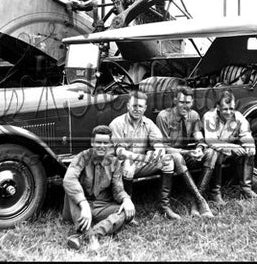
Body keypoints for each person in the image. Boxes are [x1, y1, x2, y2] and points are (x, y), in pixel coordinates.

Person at [109, 90, 213, 220]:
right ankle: (129, 209)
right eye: (134, 106)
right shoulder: (117, 124)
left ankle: (165, 206)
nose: (137, 109)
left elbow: (159, 143)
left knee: (167, 161)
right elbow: (120, 153)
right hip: (122, 164)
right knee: (128, 166)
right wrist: (143, 157)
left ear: (145, 108)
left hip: (142, 162)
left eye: (140, 106)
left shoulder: (148, 123)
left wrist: (158, 152)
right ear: (128, 106)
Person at [62, 125, 135, 251]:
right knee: (71, 192)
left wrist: (126, 200)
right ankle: (90, 238)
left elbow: (117, 189)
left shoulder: (115, 162)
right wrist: (83, 204)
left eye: (105, 143)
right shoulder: (82, 157)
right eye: (98, 142)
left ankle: (90, 235)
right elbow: (69, 179)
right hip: (80, 206)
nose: (102, 146)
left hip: (101, 206)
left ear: (110, 144)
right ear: (92, 142)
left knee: (126, 211)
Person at [156, 86, 217, 216]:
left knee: (212, 153)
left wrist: (200, 149)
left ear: (192, 102)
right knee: (177, 156)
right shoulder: (163, 116)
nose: (185, 106)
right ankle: (201, 201)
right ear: (174, 101)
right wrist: (186, 152)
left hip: (186, 155)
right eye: (181, 102)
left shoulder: (193, 115)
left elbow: (198, 137)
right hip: (171, 156)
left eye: (188, 102)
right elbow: (164, 147)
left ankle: (195, 202)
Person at [202, 89, 257, 202]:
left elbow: (245, 133)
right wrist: (233, 147)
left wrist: (250, 145)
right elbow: (211, 141)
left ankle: (246, 189)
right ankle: (215, 192)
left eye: (232, 108)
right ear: (218, 107)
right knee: (216, 154)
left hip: (230, 149)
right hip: (213, 151)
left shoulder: (237, 116)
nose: (229, 112)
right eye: (225, 109)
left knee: (248, 148)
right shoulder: (209, 116)